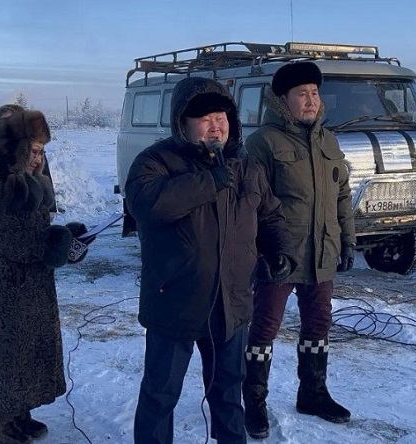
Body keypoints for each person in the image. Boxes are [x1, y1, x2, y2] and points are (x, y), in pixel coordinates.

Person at [126, 77, 295, 444]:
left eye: (221, 117)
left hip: (230, 303)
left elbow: (270, 215)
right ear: (182, 123)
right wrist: (209, 181)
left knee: (228, 393)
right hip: (175, 302)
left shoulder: (246, 166)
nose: (216, 126)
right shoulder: (155, 161)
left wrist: (280, 250)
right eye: (205, 119)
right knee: (160, 394)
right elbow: (148, 205)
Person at [242, 61, 357, 439]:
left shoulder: (329, 141)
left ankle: (313, 393)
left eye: (314, 93)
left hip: (321, 252)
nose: (310, 101)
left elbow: (342, 195)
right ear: (283, 100)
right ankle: (253, 402)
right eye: (301, 94)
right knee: (265, 327)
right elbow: (250, 204)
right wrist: (261, 251)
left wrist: (348, 240)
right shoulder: (263, 142)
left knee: (319, 324)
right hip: (280, 254)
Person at [0, 104, 89, 444]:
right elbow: (15, 243)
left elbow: (39, 236)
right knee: (6, 355)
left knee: (28, 352)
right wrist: (57, 242)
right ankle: (2, 423)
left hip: (31, 286)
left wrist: (71, 238)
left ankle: (21, 414)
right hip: (3, 290)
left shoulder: (33, 184)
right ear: (15, 150)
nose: (38, 159)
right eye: (33, 151)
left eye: (41, 152)